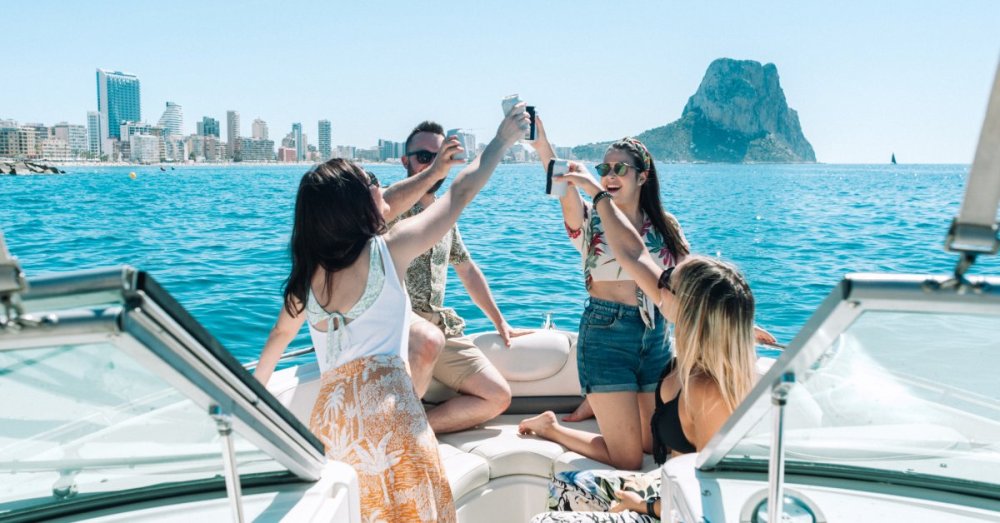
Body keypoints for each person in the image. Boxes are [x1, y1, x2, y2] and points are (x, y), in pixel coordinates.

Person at [253, 104, 530, 521]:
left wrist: (255, 394)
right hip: (391, 419)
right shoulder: (389, 251)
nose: (382, 188)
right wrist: (501, 141)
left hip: (333, 423)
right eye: (373, 183)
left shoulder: (306, 280)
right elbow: (461, 193)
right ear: (356, 206)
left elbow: (277, 338)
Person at [522, 165, 758, 522]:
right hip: (665, 490)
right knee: (564, 483)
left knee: (544, 521)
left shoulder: (709, 390)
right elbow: (633, 253)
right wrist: (593, 190)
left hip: (678, 510)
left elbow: (713, 493)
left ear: (694, 311)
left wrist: (645, 505)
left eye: (666, 283)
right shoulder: (686, 365)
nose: (656, 287)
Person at [523, 117, 689, 470]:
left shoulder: (665, 225)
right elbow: (565, 187)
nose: (610, 176)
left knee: (651, 445)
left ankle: (601, 405)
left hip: (656, 336)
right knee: (629, 460)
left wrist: (729, 322)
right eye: (604, 168)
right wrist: (543, 145)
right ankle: (551, 427)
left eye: (620, 169)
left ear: (642, 176)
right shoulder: (590, 219)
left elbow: (692, 281)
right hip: (606, 334)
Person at [392, 120, 528, 434]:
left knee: (497, 397)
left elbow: (466, 269)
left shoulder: (444, 215)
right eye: (425, 157)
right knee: (424, 341)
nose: (436, 164)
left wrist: (499, 322)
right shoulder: (387, 208)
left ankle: (413, 432)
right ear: (405, 161)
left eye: (443, 157)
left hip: (439, 327)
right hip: (401, 327)